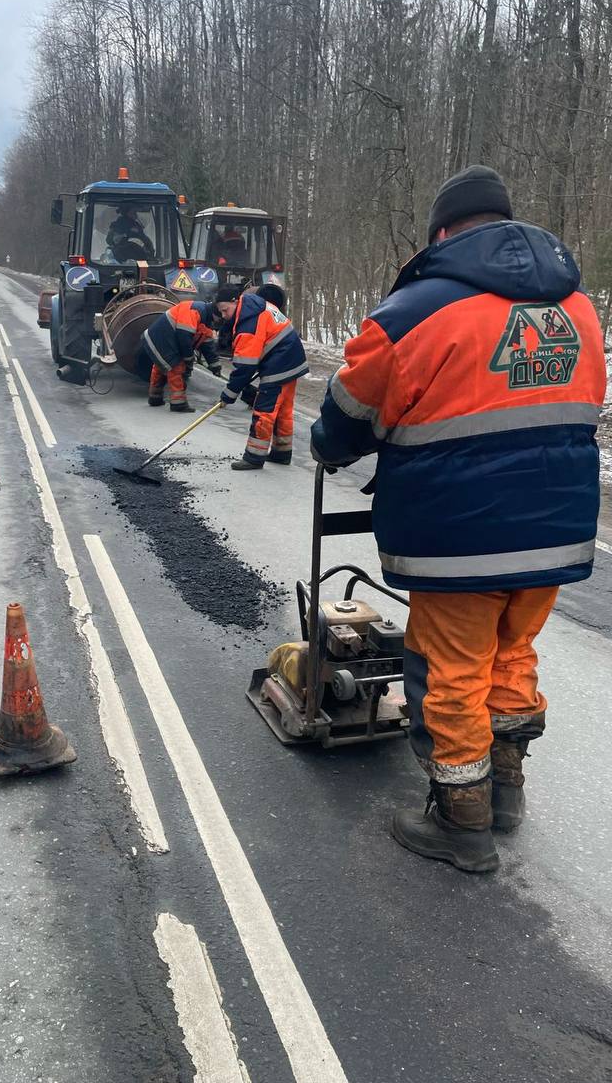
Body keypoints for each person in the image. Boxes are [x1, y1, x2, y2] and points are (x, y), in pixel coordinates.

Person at [309, 165, 607, 873]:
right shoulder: (579, 308)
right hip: (558, 528)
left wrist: (328, 446)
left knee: (454, 669)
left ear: (442, 234)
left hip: (460, 538)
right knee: (514, 655)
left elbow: (350, 413)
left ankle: (461, 821)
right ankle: (507, 791)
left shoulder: (415, 311)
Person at [216, 284, 308, 469]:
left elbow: (244, 367)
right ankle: (282, 452)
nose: (224, 315)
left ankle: (254, 457)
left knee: (264, 410)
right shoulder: (254, 306)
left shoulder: (248, 323)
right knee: (282, 410)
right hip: (292, 359)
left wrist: (229, 394)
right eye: (221, 312)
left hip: (280, 363)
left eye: (225, 310)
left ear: (235, 301)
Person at [139, 299, 219, 413]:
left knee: (160, 366)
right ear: (215, 314)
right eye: (220, 317)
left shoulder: (206, 319)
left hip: (157, 338)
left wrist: (215, 365)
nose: (221, 320)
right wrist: (188, 359)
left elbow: (207, 345)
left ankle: (155, 397)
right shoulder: (195, 311)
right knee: (177, 368)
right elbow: (184, 337)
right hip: (161, 339)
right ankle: (178, 403)